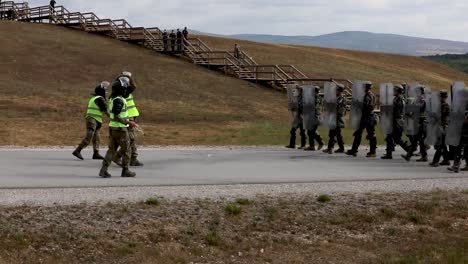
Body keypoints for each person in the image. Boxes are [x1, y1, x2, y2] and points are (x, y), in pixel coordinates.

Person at [99, 76, 137, 178]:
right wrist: (128, 122)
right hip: (120, 129)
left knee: (111, 150)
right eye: (124, 88)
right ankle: (125, 170)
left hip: (113, 128)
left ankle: (103, 170)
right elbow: (116, 116)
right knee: (126, 150)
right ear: (121, 89)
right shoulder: (119, 100)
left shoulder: (113, 98)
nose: (126, 90)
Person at [72, 82, 110, 160]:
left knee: (96, 137)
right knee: (89, 136)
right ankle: (77, 150)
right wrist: (114, 118)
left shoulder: (94, 98)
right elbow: (106, 111)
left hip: (95, 119)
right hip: (92, 119)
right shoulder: (100, 99)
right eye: (105, 90)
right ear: (101, 91)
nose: (106, 92)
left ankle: (96, 153)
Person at [113, 71, 144, 167]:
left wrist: (127, 77)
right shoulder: (123, 91)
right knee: (131, 139)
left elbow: (133, 86)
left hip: (131, 116)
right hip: (128, 117)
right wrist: (127, 76)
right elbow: (134, 86)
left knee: (131, 138)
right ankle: (120, 157)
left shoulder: (122, 90)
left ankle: (132, 158)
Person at [346, 81, 378, 157]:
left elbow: (366, 107)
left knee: (371, 134)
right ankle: (354, 150)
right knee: (358, 133)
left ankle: (373, 152)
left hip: (368, 117)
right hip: (363, 117)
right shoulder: (367, 95)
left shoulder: (368, 96)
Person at [381, 85, 410, 159]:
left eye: (395, 90)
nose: (393, 91)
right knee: (389, 137)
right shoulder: (396, 99)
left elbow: (396, 112)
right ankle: (389, 154)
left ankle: (409, 151)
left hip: (396, 121)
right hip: (394, 120)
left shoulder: (399, 100)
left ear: (398, 91)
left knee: (397, 139)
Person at [402, 86, 428, 162]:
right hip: (417, 121)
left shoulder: (421, 99)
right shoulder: (418, 99)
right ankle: (411, 155)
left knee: (417, 140)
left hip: (421, 122)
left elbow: (420, 108)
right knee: (416, 140)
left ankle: (410, 155)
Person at [429, 91, 451, 167]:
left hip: (441, 127)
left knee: (439, 145)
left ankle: (435, 161)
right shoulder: (440, 105)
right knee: (442, 145)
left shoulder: (445, 106)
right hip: (439, 126)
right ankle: (446, 160)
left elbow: (440, 117)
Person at [323, 84, 346, 154]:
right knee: (337, 134)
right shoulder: (336, 98)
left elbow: (341, 110)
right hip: (333, 117)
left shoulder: (341, 99)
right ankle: (341, 148)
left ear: (339, 91)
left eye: (336, 90)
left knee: (332, 134)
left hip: (337, 118)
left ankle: (330, 148)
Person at [448, 98, 468, 173]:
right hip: (461, 131)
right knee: (462, 149)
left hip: (464, 132)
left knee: (459, 148)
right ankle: (457, 165)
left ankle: (456, 165)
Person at [304, 86, 324, 151]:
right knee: (311, 131)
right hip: (316, 116)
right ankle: (318, 143)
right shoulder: (319, 98)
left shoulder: (315, 98)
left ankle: (314, 145)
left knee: (310, 131)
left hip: (314, 117)